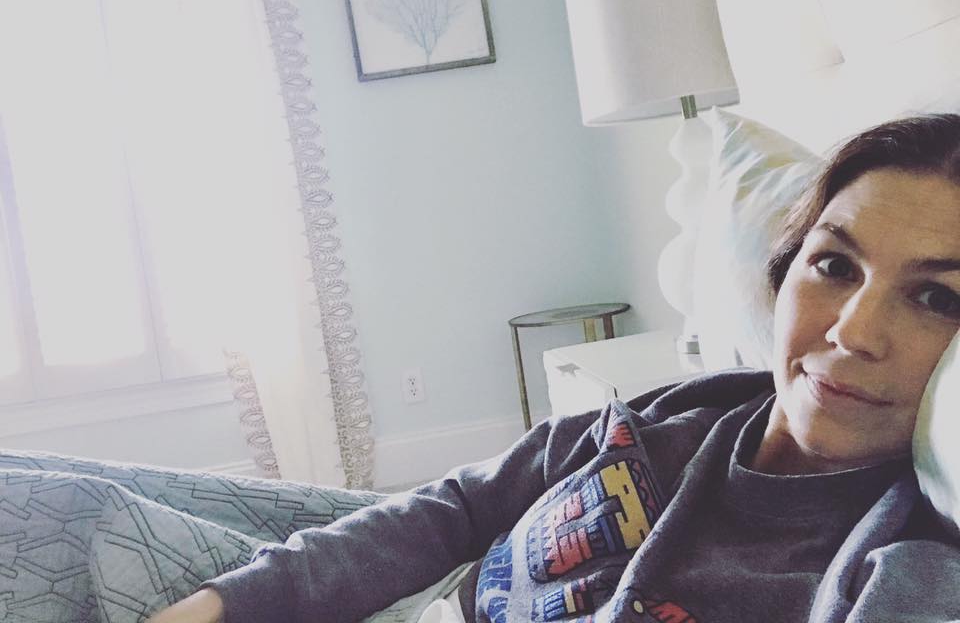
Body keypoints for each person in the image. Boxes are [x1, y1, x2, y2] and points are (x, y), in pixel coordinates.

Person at [151, 114, 960, 623]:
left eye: (936, 298)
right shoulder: (675, 419)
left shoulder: (896, 568)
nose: (853, 331)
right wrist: (223, 605)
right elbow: (456, 509)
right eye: (835, 266)